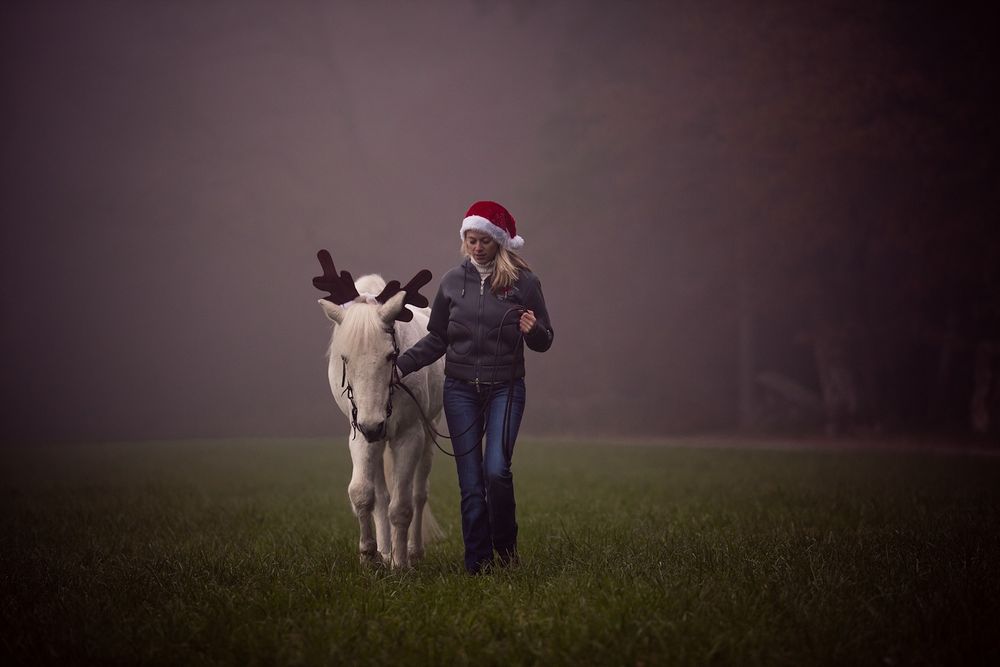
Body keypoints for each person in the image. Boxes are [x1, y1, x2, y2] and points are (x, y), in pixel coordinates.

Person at [395, 200, 554, 574]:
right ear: (464, 239)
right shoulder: (452, 282)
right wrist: (399, 367)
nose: (477, 247)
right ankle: (478, 564)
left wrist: (535, 332)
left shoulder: (524, 283)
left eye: (484, 240)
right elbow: (436, 340)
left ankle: (506, 552)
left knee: (496, 471)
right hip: (461, 390)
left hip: (506, 390)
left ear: (498, 241)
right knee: (470, 483)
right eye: (471, 239)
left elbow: (545, 340)